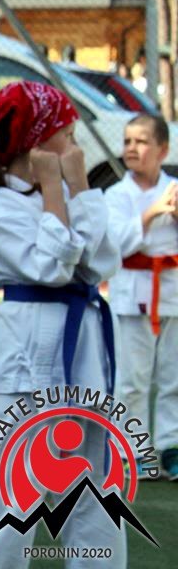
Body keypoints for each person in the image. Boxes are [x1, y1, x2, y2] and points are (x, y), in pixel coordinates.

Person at [0, 80, 124, 568]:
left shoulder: (73, 192)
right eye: (67, 133)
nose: (75, 144)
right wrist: (56, 189)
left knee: (97, 497)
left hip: (85, 362)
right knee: (11, 503)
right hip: (23, 369)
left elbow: (102, 261)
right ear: (35, 141)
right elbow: (52, 267)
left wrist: (80, 189)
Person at [105, 113, 178, 481]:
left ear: (162, 150)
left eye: (142, 141)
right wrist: (149, 215)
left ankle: (171, 447)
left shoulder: (174, 189)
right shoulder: (115, 196)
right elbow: (113, 246)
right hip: (132, 295)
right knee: (132, 380)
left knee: (174, 378)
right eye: (127, 141)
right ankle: (132, 451)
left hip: (173, 293)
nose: (132, 148)